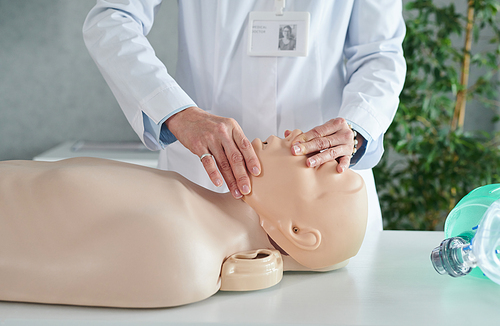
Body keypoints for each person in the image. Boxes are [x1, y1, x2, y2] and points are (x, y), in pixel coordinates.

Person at [82, 0, 406, 231]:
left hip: (325, 188)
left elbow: (381, 52)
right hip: (206, 181)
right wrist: (176, 113)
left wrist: (360, 122)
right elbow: (111, 18)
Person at [0, 130, 367, 308]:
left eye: (317, 164)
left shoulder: (183, 255)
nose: (295, 136)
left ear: (297, 232)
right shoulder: (189, 202)